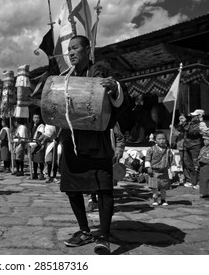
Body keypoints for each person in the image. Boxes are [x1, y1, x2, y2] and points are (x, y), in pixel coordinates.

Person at [58, 35, 128, 255]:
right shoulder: (64, 77)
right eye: (68, 49)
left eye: (75, 48)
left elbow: (118, 99)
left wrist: (114, 87)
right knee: (72, 188)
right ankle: (85, 230)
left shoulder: (100, 72)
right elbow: (56, 107)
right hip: (72, 140)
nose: (70, 53)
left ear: (88, 50)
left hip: (97, 140)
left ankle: (104, 236)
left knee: (104, 188)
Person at [178, 109, 207, 189]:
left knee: (196, 165)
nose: (192, 117)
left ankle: (198, 182)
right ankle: (191, 181)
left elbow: (192, 131)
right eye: (192, 116)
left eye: (194, 116)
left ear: (199, 116)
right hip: (187, 146)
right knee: (188, 164)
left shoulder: (201, 124)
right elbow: (181, 129)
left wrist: (184, 123)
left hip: (196, 146)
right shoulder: (190, 123)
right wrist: (181, 122)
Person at [145, 131, 174, 206]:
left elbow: (171, 160)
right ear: (155, 140)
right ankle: (155, 199)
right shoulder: (151, 149)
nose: (162, 140)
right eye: (159, 139)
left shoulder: (168, 150)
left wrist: (173, 170)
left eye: (163, 139)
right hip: (154, 172)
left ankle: (163, 199)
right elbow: (147, 159)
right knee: (155, 187)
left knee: (163, 187)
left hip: (164, 171)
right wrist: (148, 167)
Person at [29, 113, 45, 180]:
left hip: (39, 145)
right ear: (33, 119)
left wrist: (34, 143)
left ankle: (41, 173)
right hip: (33, 144)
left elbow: (39, 135)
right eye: (35, 117)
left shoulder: (41, 126)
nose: (36, 119)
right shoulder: (33, 126)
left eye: (37, 117)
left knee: (40, 160)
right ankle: (35, 173)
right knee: (34, 160)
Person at [198, 131, 209, 199]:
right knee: (203, 180)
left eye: (206, 140)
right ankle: (205, 193)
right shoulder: (203, 148)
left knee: (207, 180)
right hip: (202, 166)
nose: (204, 141)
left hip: (207, 165)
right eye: (203, 140)